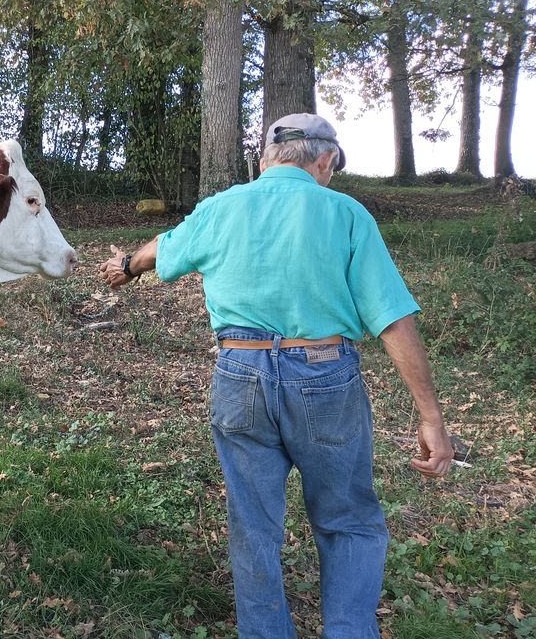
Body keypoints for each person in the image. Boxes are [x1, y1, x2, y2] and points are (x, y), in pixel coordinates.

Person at [98, 113, 454, 638]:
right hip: (324, 378)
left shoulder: (221, 208)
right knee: (348, 522)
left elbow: (165, 245)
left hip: (239, 374)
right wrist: (431, 417)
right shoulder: (347, 214)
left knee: (254, 528)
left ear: (264, 161)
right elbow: (392, 319)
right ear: (327, 160)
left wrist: (127, 265)